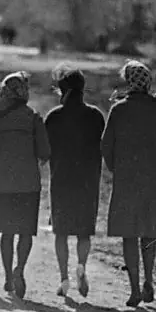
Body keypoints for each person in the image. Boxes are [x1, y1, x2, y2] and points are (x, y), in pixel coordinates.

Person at [101, 60, 156, 308]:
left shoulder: (118, 111)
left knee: (129, 235)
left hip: (127, 180)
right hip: (154, 183)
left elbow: (105, 146)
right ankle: (150, 280)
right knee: (149, 233)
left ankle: (134, 289)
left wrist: (115, 167)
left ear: (129, 82)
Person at [0, 71, 51, 299]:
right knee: (25, 232)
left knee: (7, 233)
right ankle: (19, 270)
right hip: (28, 184)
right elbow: (44, 152)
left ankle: (7, 276)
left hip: (3, 184)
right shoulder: (33, 117)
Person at [45, 65, 105, 298]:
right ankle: (81, 266)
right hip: (88, 180)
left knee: (61, 233)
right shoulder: (96, 116)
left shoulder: (54, 117)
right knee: (83, 233)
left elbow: (45, 149)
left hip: (61, 180)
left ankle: (64, 279)